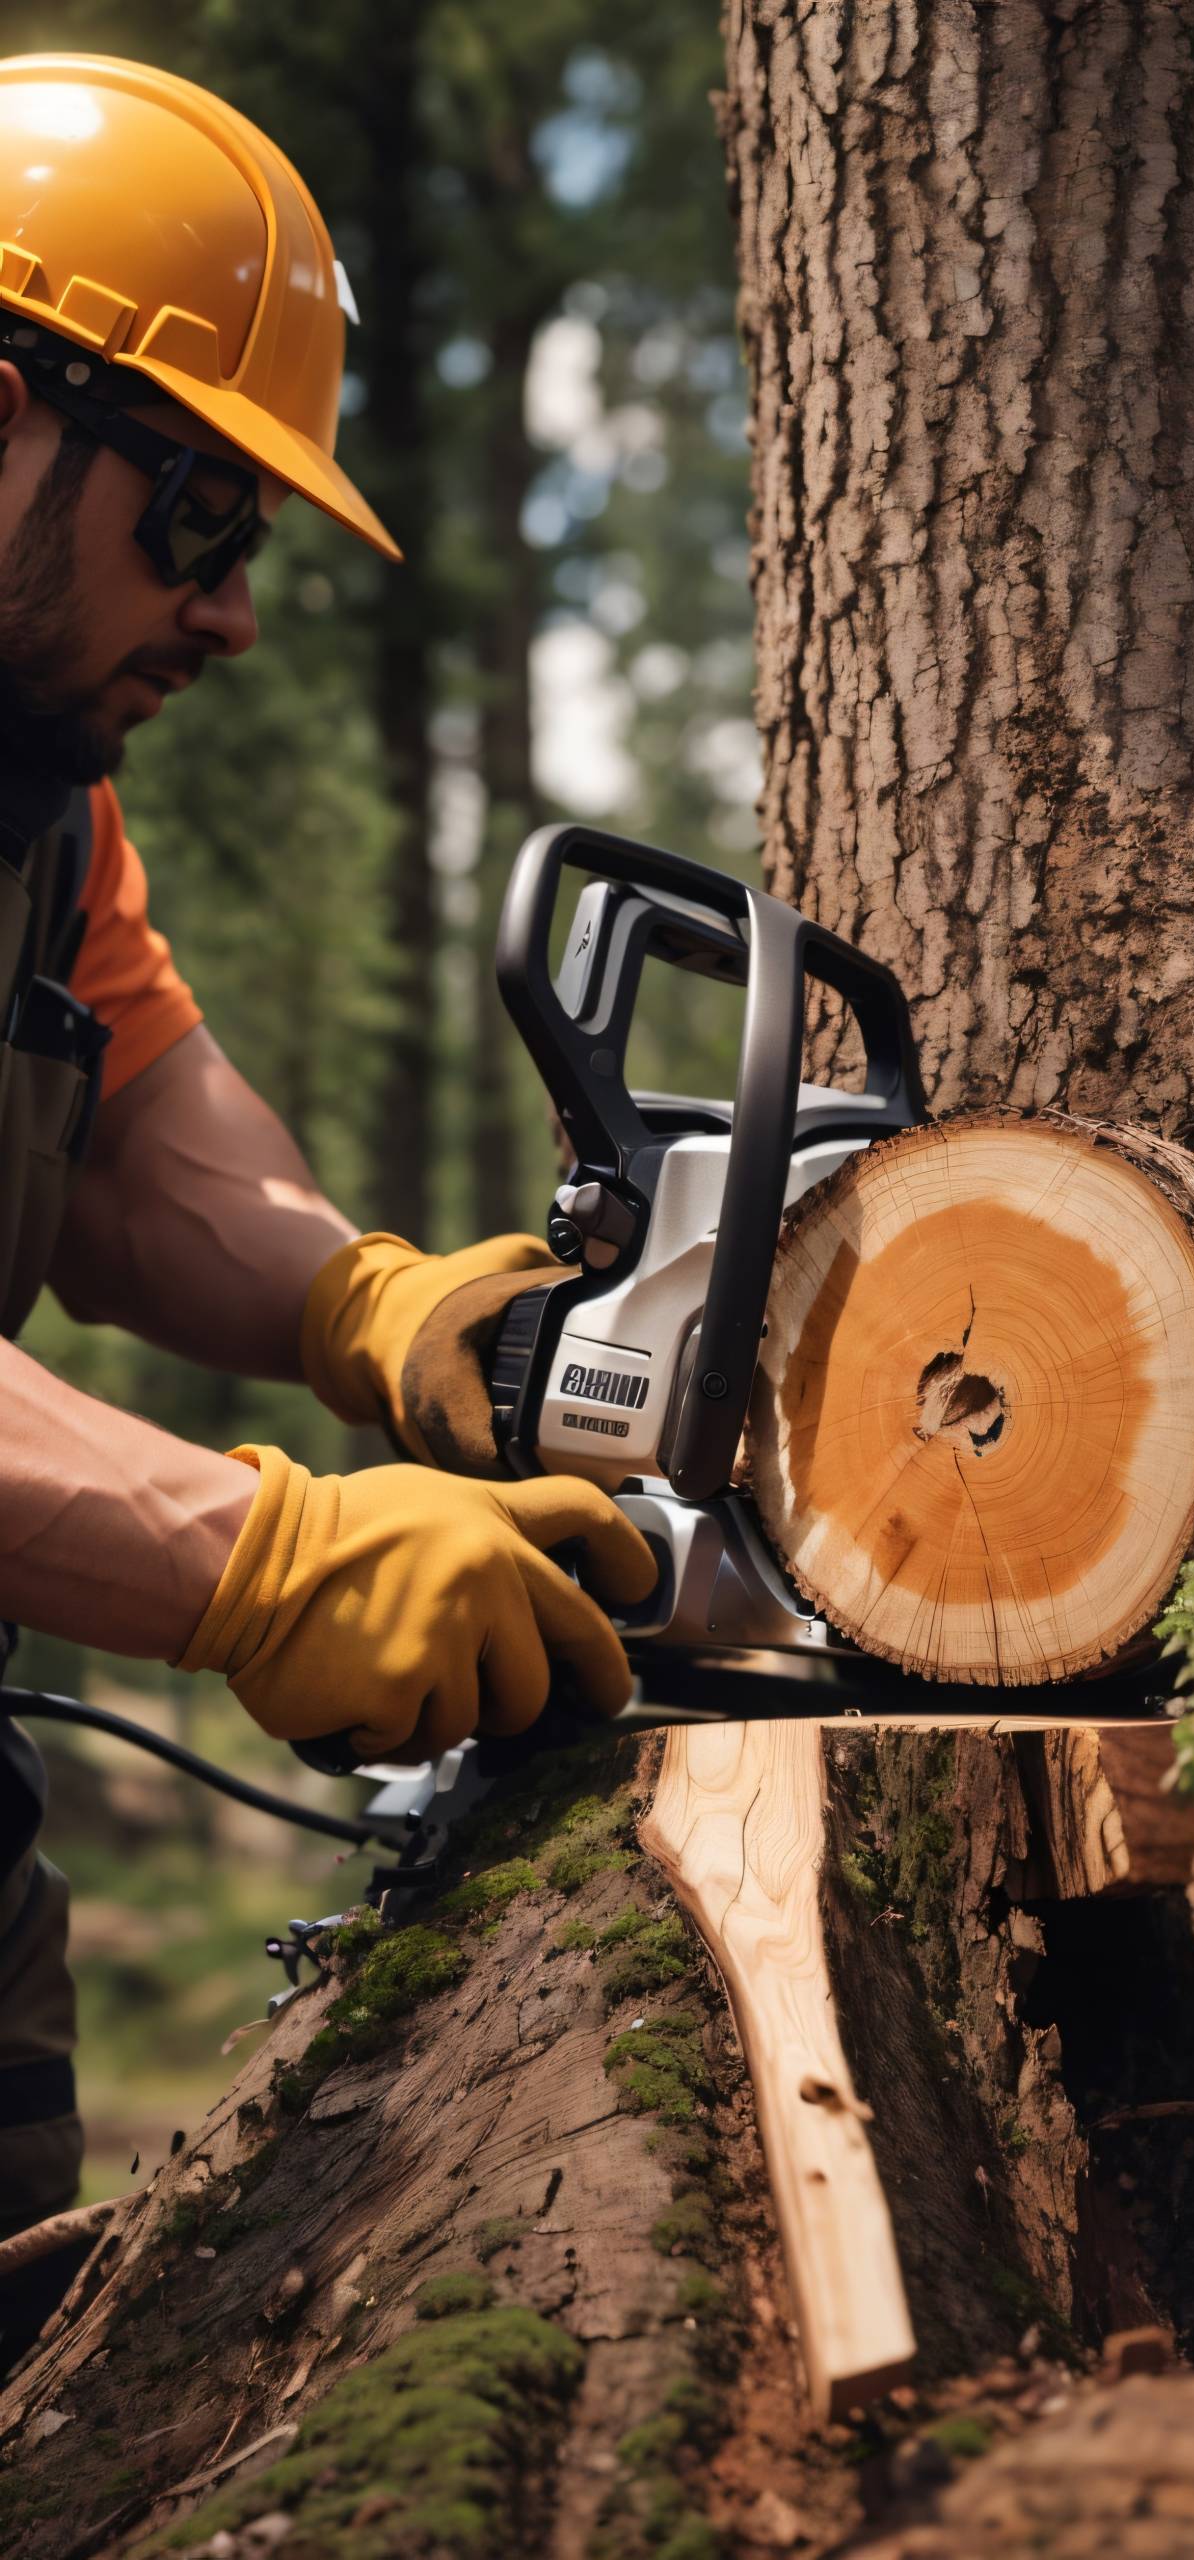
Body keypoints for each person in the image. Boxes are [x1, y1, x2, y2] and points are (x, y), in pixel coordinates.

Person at [0, 53, 656, 2356]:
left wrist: (387, 1309)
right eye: (199, 515)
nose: (238, 612)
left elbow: (140, 1139)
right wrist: (260, 1548)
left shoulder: (40, 814)